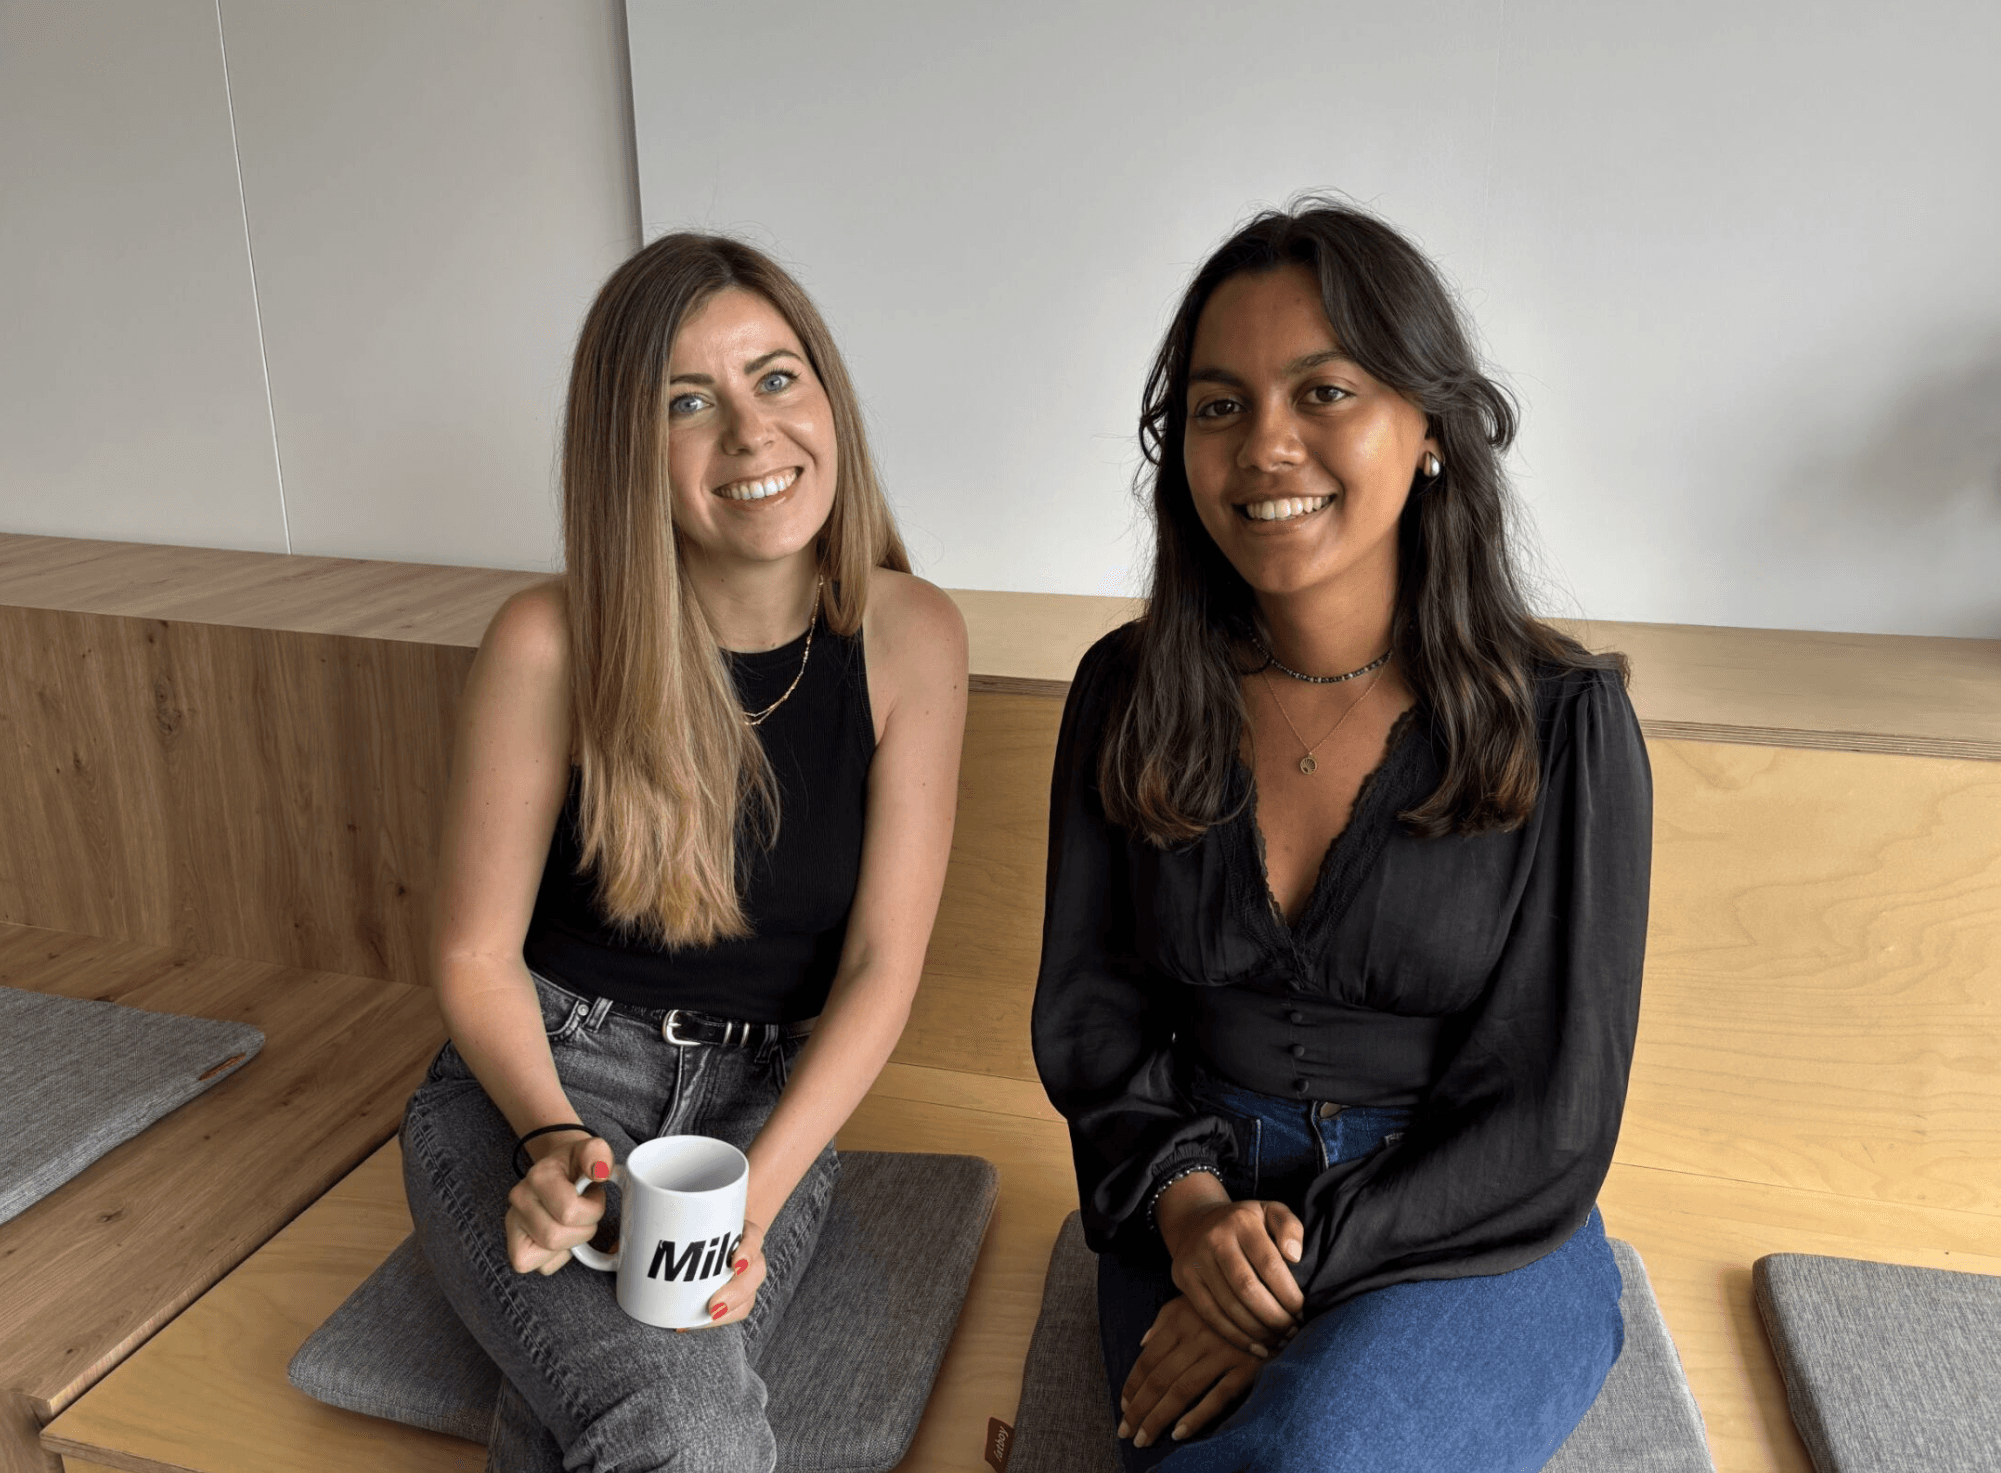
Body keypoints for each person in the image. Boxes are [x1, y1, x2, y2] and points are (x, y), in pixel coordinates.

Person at [1032, 199, 1652, 1473]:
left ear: (1427, 426)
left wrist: (1299, 1262)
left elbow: (1550, 1121)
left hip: (1474, 1230)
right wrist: (1199, 1221)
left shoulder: (1565, 723)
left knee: (1313, 1457)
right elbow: (1095, 1018)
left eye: (1324, 391)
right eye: (1219, 405)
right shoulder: (1124, 690)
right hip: (1196, 1203)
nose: (1267, 445)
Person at [402, 233, 967, 1473]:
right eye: (687, 402)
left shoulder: (912, 634)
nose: (752, 435)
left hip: (766, 1109)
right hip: (543, 1081)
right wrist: (552, 1145)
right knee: (682, 1424)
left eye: (776, 378)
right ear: (629, 451)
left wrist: (754, 1200)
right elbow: (473, 952)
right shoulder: (548, 639)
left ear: (827, 398)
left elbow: (881, 966)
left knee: (617, 1417)